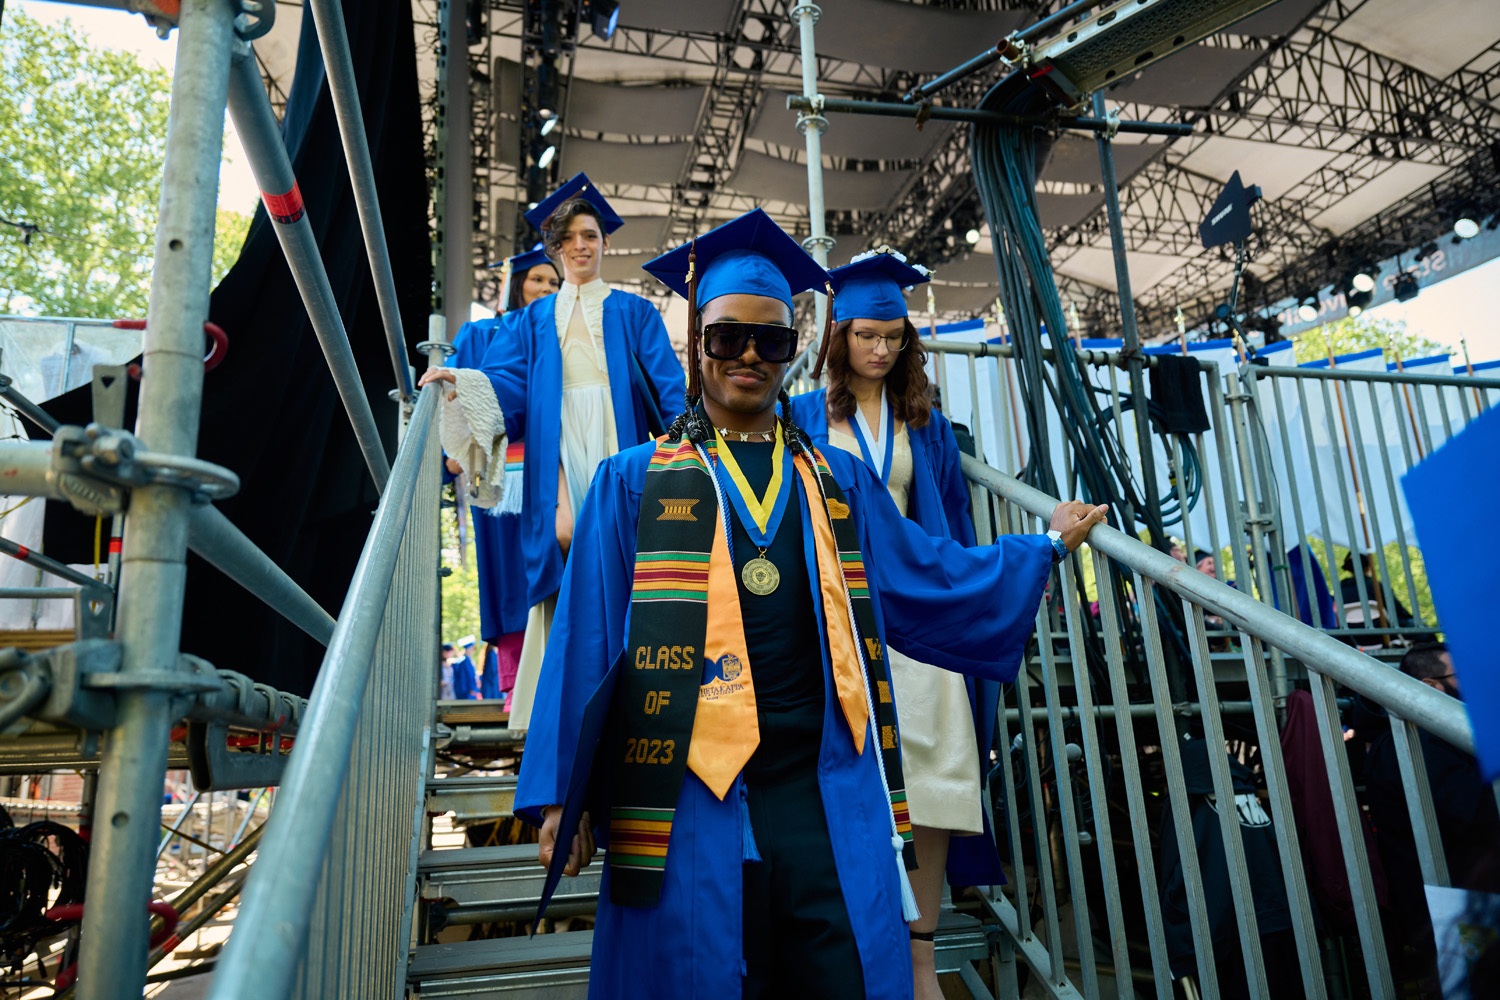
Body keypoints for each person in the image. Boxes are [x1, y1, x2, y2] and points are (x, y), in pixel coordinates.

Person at [513, 209, 1108, 999]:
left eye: (772, 340)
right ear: (699, 343)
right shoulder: (632, 480)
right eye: (728, 338)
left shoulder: (833, 478)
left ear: (793, 353)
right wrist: (562, 793)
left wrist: (1041, 547)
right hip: (689, 791)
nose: (749, 356)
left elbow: (926, 573)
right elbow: (587, 638)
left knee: (842, 973)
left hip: (823, 782)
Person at [787, 246, 1002, 999]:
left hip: (916, 624)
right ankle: (862, 930)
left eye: (892, 337)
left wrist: (970, 599)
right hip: (838, 621)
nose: (879, 349)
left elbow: (953, 523)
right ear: (838, 335)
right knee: (856, 779)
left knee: (936, 778)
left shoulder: (925, 422)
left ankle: (920, 950)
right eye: (866, 335)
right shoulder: (804, 416)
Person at [421, 173, 686, 730]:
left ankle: (630, 680)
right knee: (563, 539)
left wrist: (684, 443)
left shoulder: (635, 311)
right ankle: (564, 694)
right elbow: (509, 384)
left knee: (625, 548)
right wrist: (462, 384)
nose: (583, 245)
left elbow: (666, 386)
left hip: (620, 440)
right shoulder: (532, 320)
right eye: (572, 239)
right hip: (558, 441)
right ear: (558, 248)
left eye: (592, 235)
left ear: (604, 243)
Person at [445, 246, 561, 699]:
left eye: (554, 283)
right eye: (537, 280)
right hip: (501, 473)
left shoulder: (562, 335)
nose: (546, 289)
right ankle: (517, 687)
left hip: (553, 470)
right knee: (510, 576)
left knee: (558, 569)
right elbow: (457, 396)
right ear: (516, 284)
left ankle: (560, 681)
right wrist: (453, 451)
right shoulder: (480, 332)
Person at [452, 636, 480, 701]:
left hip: (469, 691)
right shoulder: (465, 661)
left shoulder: (467, 660)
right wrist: (471, 689)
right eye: (473, 648)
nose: (473, 650)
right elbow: (466, 677)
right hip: (468, 692)